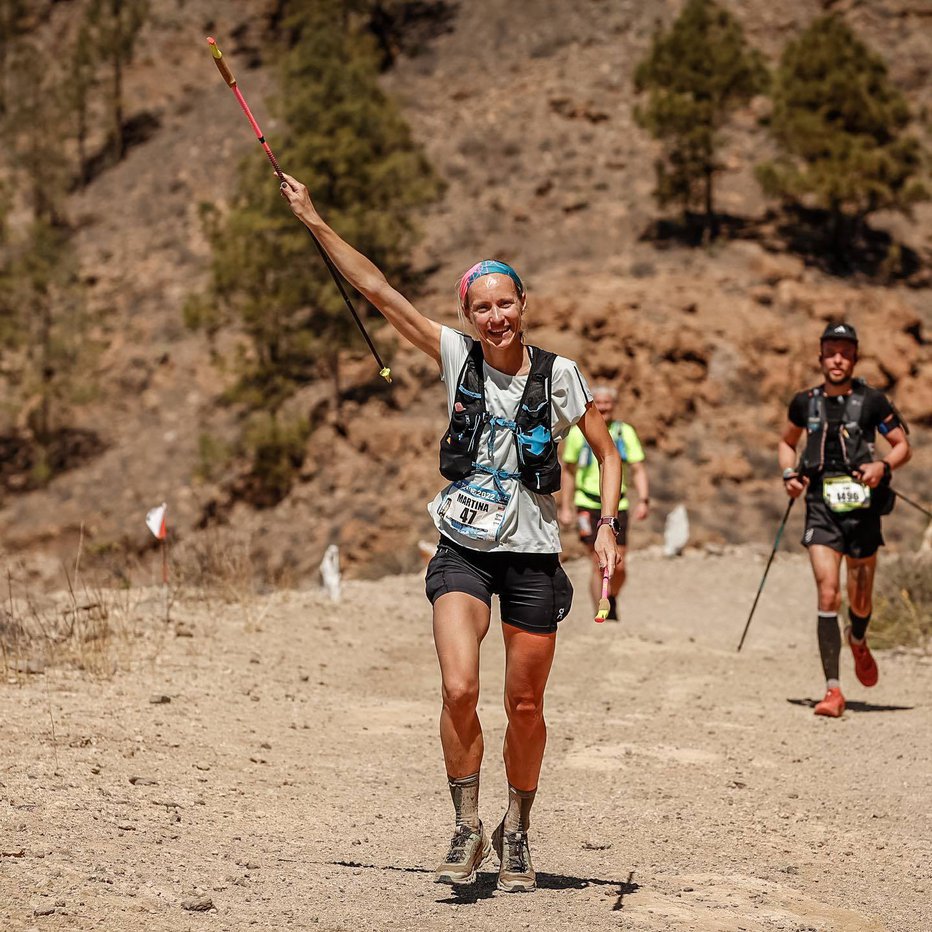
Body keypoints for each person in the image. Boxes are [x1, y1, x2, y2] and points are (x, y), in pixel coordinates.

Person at [280, 173, 622, 892]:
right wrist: (313, 219)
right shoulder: (454, 356)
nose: (496, 317)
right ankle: (467, 826)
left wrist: (608, 527)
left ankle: (518, 827)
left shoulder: (562, 375)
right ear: (466, 314)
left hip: (532, 554)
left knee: (525, 707)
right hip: (462, 546)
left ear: (523, 305)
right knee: (460, 687)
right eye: (482, 307)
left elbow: (607, 451)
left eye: (506, 304)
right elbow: (377, 290)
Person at [778, 322, 910, 718]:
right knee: (828, 594)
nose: (838, 359)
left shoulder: (872, 401)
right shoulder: (804, 402)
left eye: (845, 352)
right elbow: (787, 443)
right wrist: (790, 475)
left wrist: (881, 467)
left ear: (854, 357)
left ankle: (859, 637)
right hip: (820, 507)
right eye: (831, 351)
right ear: (821, 356)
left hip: (863, 509)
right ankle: (832, 690)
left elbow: (902, 445)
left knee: (861, 597)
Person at [559, 385, 649, 619]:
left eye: (607, 402)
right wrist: (566, 506)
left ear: (614, 405)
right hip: (587, 504)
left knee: (619, 565)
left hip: (618, 506)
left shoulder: (624, 432)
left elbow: (638, 468)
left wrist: (643, 499)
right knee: (598, 561)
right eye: (598, 402)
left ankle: (611, 597)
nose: (603, 407)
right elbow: (568, 471)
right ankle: (601, 610)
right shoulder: (579, 433)